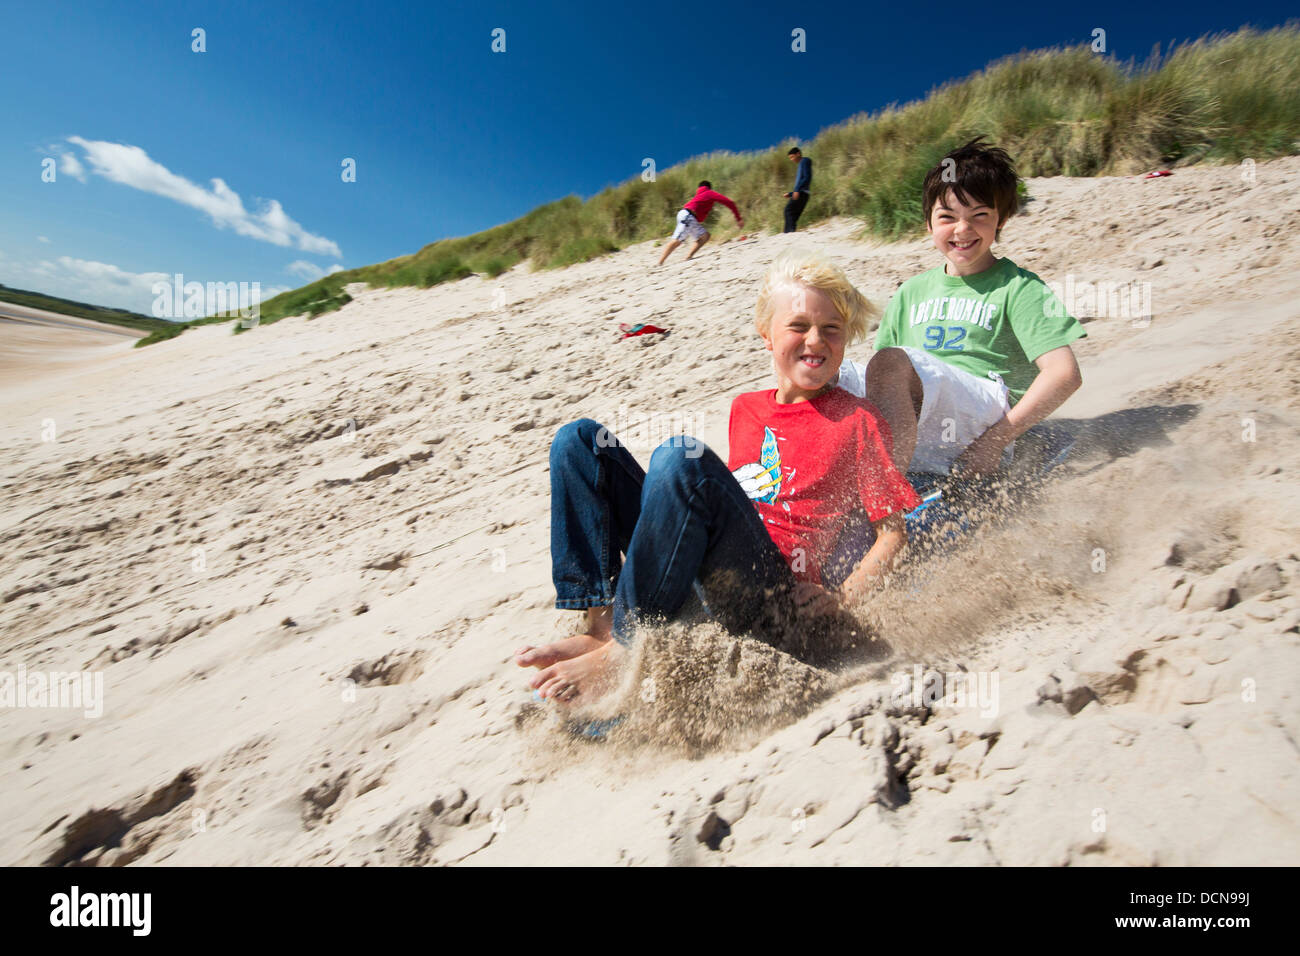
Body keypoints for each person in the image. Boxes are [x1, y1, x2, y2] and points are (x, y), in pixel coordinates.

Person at [516, 250, 921, 704]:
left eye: (832, 329)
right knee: (580, 441)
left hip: (766, 590)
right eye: (799, 326)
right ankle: (602, 626)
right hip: (703, 562)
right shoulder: (745, 408)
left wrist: (844, 596)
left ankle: (626, 650)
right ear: (766, 334)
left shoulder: (857, 421)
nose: (816, 340)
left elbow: (892, 536)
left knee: (680, 459)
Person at [838, 137, 1085, 485]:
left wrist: (995, 442)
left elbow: (1064, 374)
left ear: (1001, 220)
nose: (963, 230)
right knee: (826, 373)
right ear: (929, 223)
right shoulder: (911, 292)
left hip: (981, 423)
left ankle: (883, 498)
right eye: (947, 217)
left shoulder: (1018, 286)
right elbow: (885, 386)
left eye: (979, 216)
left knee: (892, 361)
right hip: (920, 427)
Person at [656, 180, 743, 265]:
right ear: (708, 187)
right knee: (677, 241)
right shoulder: (709, 193)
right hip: (688, 216)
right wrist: (738, 219)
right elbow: (730, 202)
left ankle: (688, 256)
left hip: (687, 216)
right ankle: (660, 262)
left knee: (705, 236)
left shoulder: (699, 195)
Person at [783, 147, 812, 232]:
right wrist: (791, 193)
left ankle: (789, 234)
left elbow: (807, 177)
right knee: (794, 215)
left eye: (792, 157)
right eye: (790, 158)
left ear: (798, 154)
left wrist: (796, 190)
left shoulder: (805, 161)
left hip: (801, 193)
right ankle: (790, 233)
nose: (791, 160)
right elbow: (804, 181)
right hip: (803, 193)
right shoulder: (801, 164)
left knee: (788, 210)